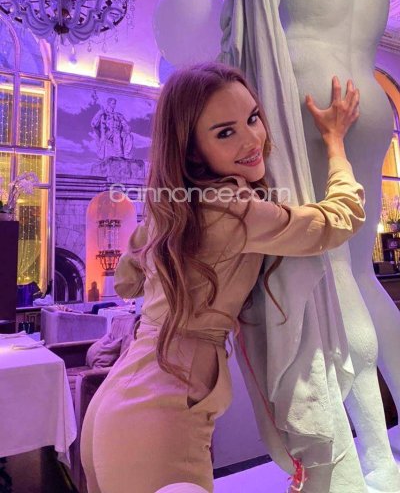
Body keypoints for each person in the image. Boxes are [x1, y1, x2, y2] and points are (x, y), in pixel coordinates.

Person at [81, 62, 364, 493]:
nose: (252, 139)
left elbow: (125, 281)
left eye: (253, 118)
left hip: (116, 400)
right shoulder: (231, 210)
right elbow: (339, 219)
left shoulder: (171, 209)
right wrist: (335, 143)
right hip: (159, 418)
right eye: (225, 132)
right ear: (193, 151)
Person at [220, 0, 400, 490]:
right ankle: (378, 454)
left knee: (326, 272)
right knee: (360, 274)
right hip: (368, 94)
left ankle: (364, 461)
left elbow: (254, 11)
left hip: (305, 87)